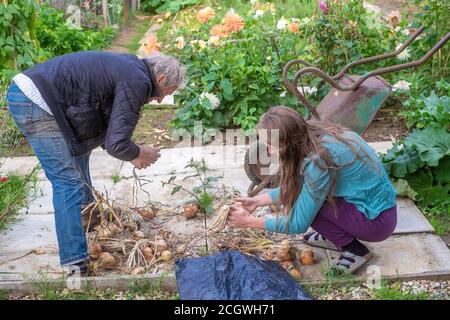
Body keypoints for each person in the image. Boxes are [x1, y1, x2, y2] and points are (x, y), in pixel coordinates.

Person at [6, 51, 185, 275]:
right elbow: (116, 144)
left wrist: (131, 151)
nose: (160, 99)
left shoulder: (132, 69)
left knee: (80, 154)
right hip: (35, 101)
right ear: (160, 80)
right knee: (67, 181)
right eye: (167, 93)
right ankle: (75, 264)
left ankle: (92, 228)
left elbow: (107, 128)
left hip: (37, 97)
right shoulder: (138, 79)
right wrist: (138, 153)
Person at [228, 106, 397, 274]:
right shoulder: (314, 134)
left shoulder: (319, 161)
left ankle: (355, 251)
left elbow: (297, 223)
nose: (269, 151)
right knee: (307, 197)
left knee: (305, 207)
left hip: (377, 222)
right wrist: (257, 201)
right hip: (375, 207)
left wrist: (249, 222)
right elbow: (300, 183)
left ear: (288, 143)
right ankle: (336, 232)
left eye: (272, 146)